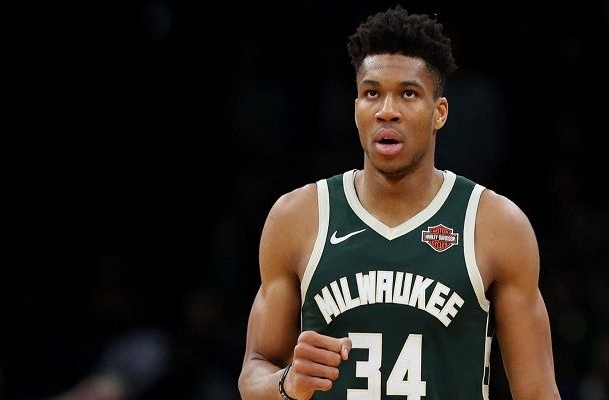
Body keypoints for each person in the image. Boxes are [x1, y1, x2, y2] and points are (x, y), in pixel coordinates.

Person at [238, 4, 560, 400]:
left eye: (408, 94)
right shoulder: (298, 217)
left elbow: (538, 392)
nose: (386, 111)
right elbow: (253, 372)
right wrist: (288, 382)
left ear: (439, 112)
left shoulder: (495, 224)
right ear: (356, 108)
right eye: (372, 93)